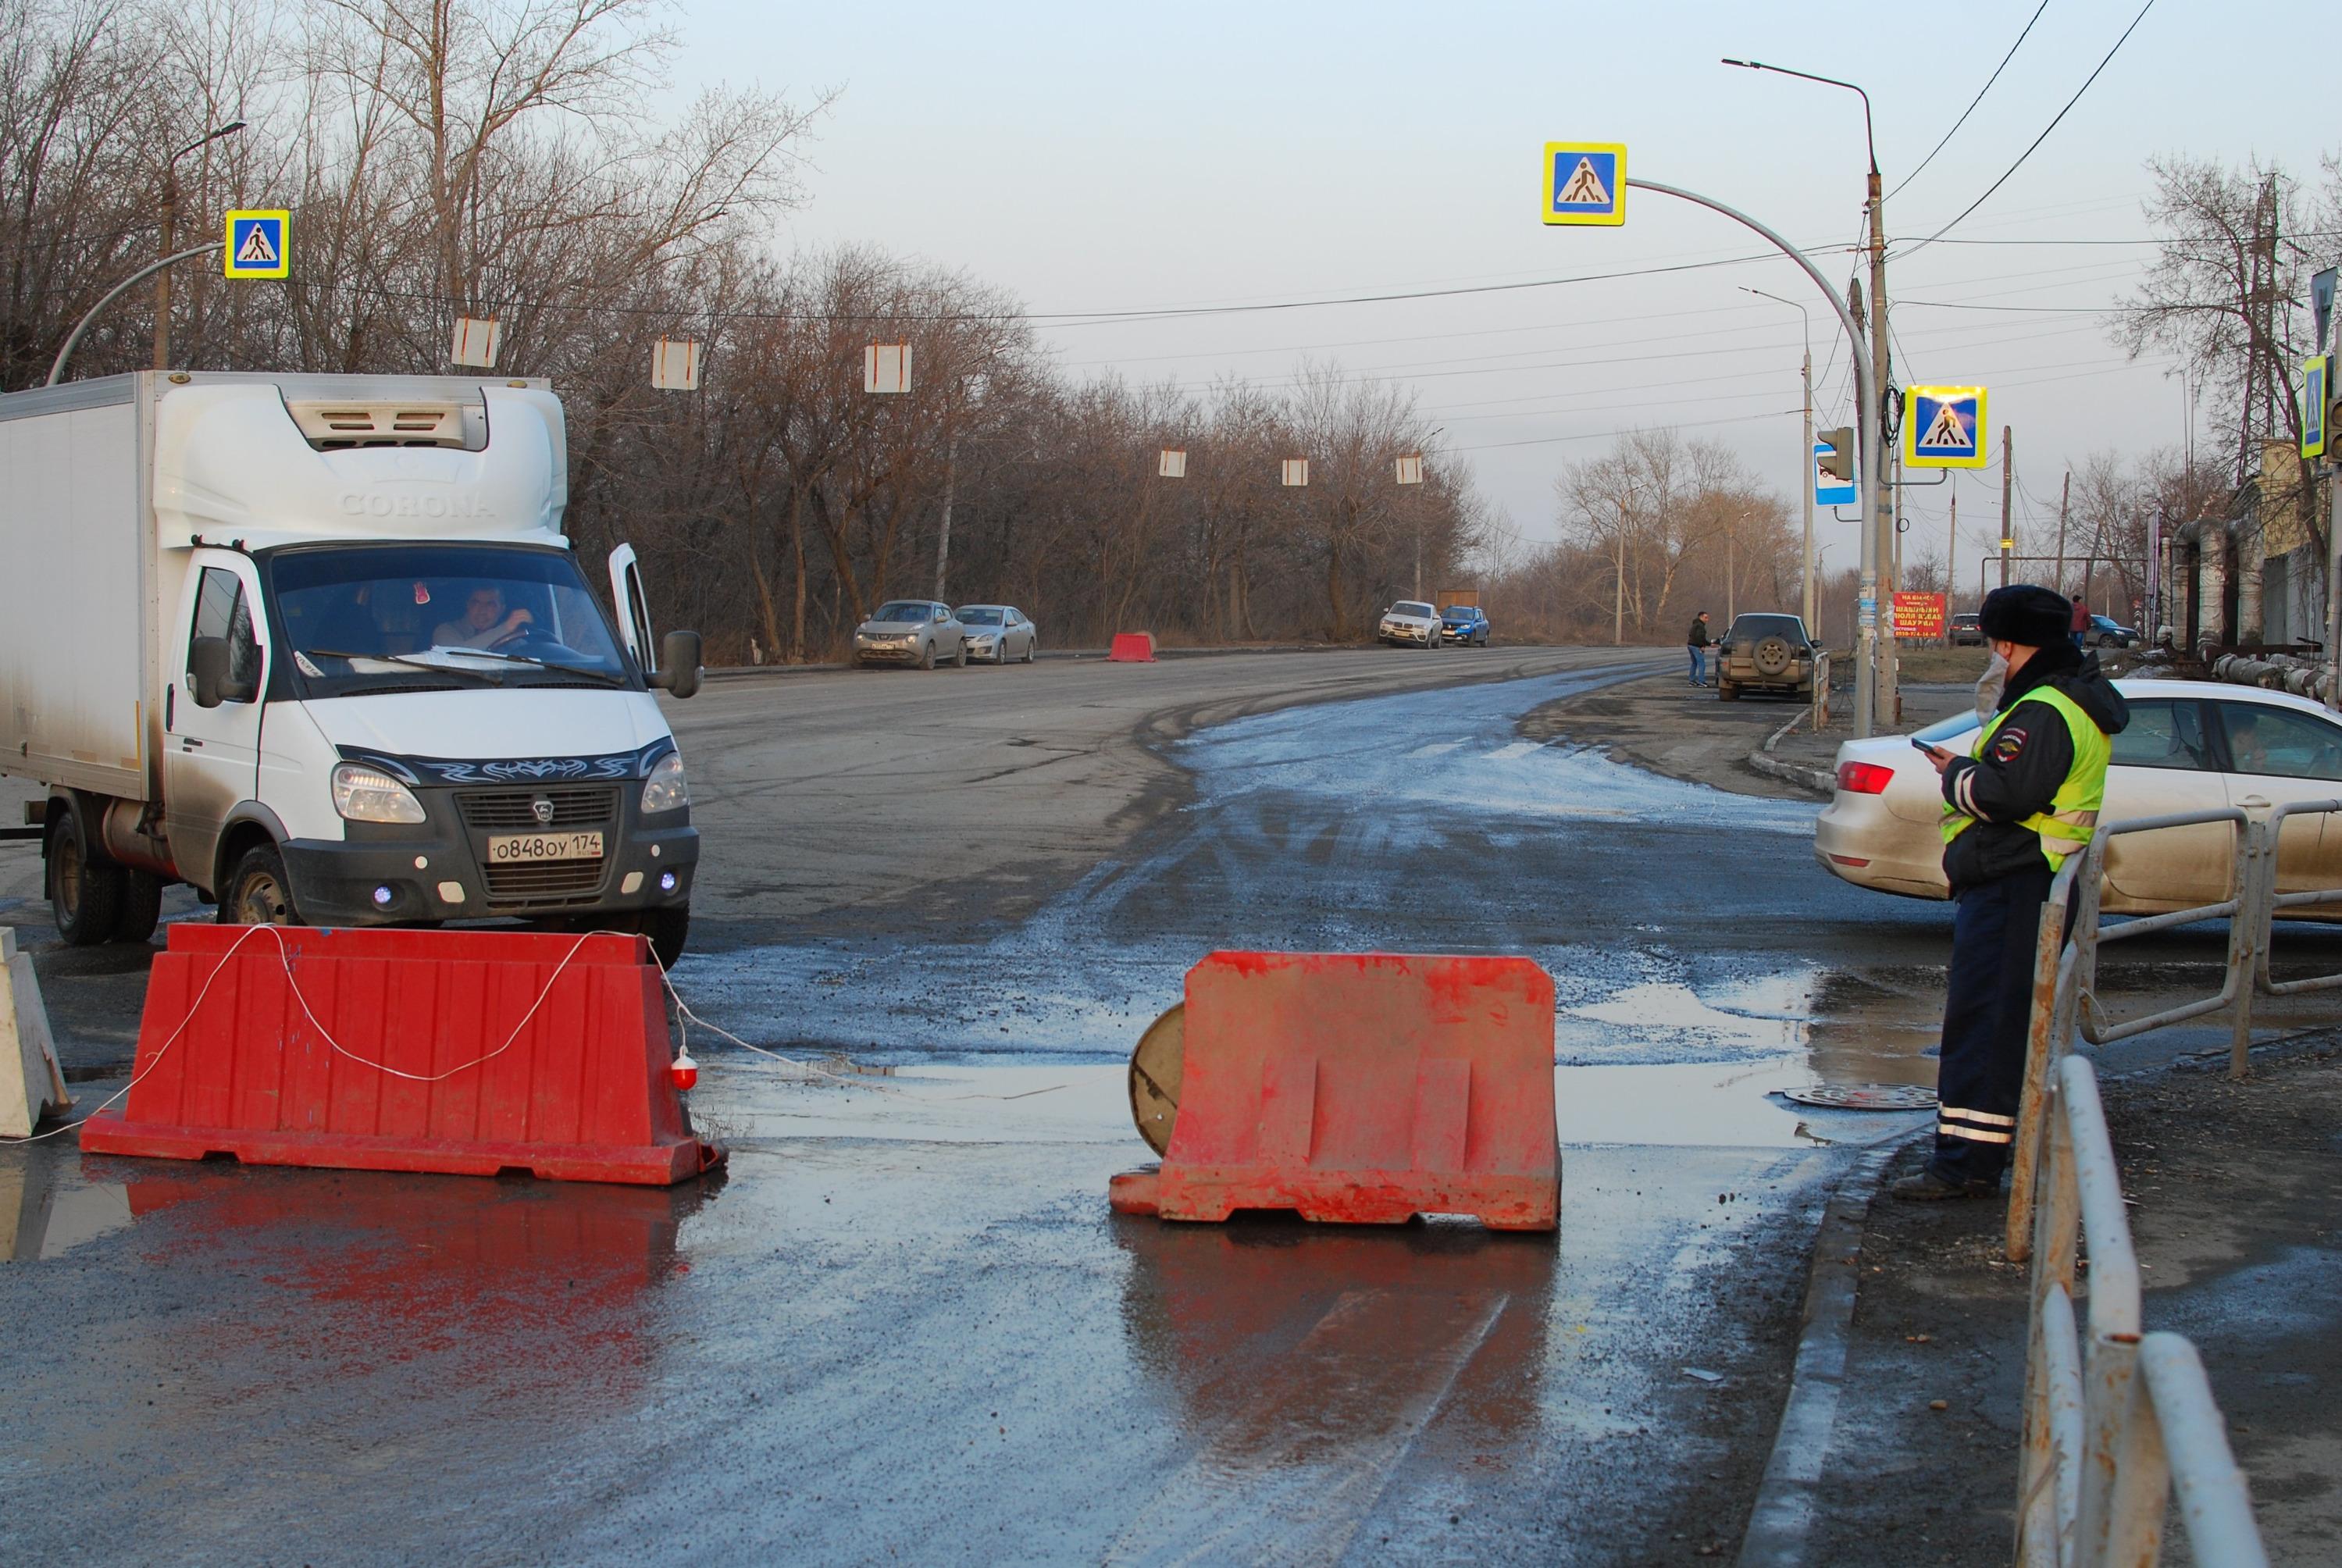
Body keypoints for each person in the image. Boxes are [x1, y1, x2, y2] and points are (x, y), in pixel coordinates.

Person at [1896, 583, 2129, 1201]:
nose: (1992, 659)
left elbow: (2003, 795)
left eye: (1995, 646)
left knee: (1984, 1027)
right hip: (2029, 880)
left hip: (2014, 882)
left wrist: (1957, 777)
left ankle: (1964, 1166)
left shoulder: (2045, 709)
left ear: (2009, 643)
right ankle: (1974, 1157)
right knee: (1996, 1026)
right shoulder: (2067, 700)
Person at [431, 583, 533, 650]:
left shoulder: (514, 641)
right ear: (468, 605)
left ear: (502, 609)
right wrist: (506, 628)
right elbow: (456, 654)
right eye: (476, 603)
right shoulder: (445, 631)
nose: (482, 611)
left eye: (490, 604)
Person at [1686, 611, 1713, 687]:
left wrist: (1709, 644)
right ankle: (1701, 681)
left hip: (1690, 645)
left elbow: (1692, 635)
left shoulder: (1695, 625)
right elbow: (1699, 637)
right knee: (1702, 664)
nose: (1707, 620)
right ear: (1701, 617)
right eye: (1705, 618)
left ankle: (1692, 681)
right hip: (1696, 646)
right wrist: (1702, 646)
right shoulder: (1700, 626)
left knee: (1694, 663)